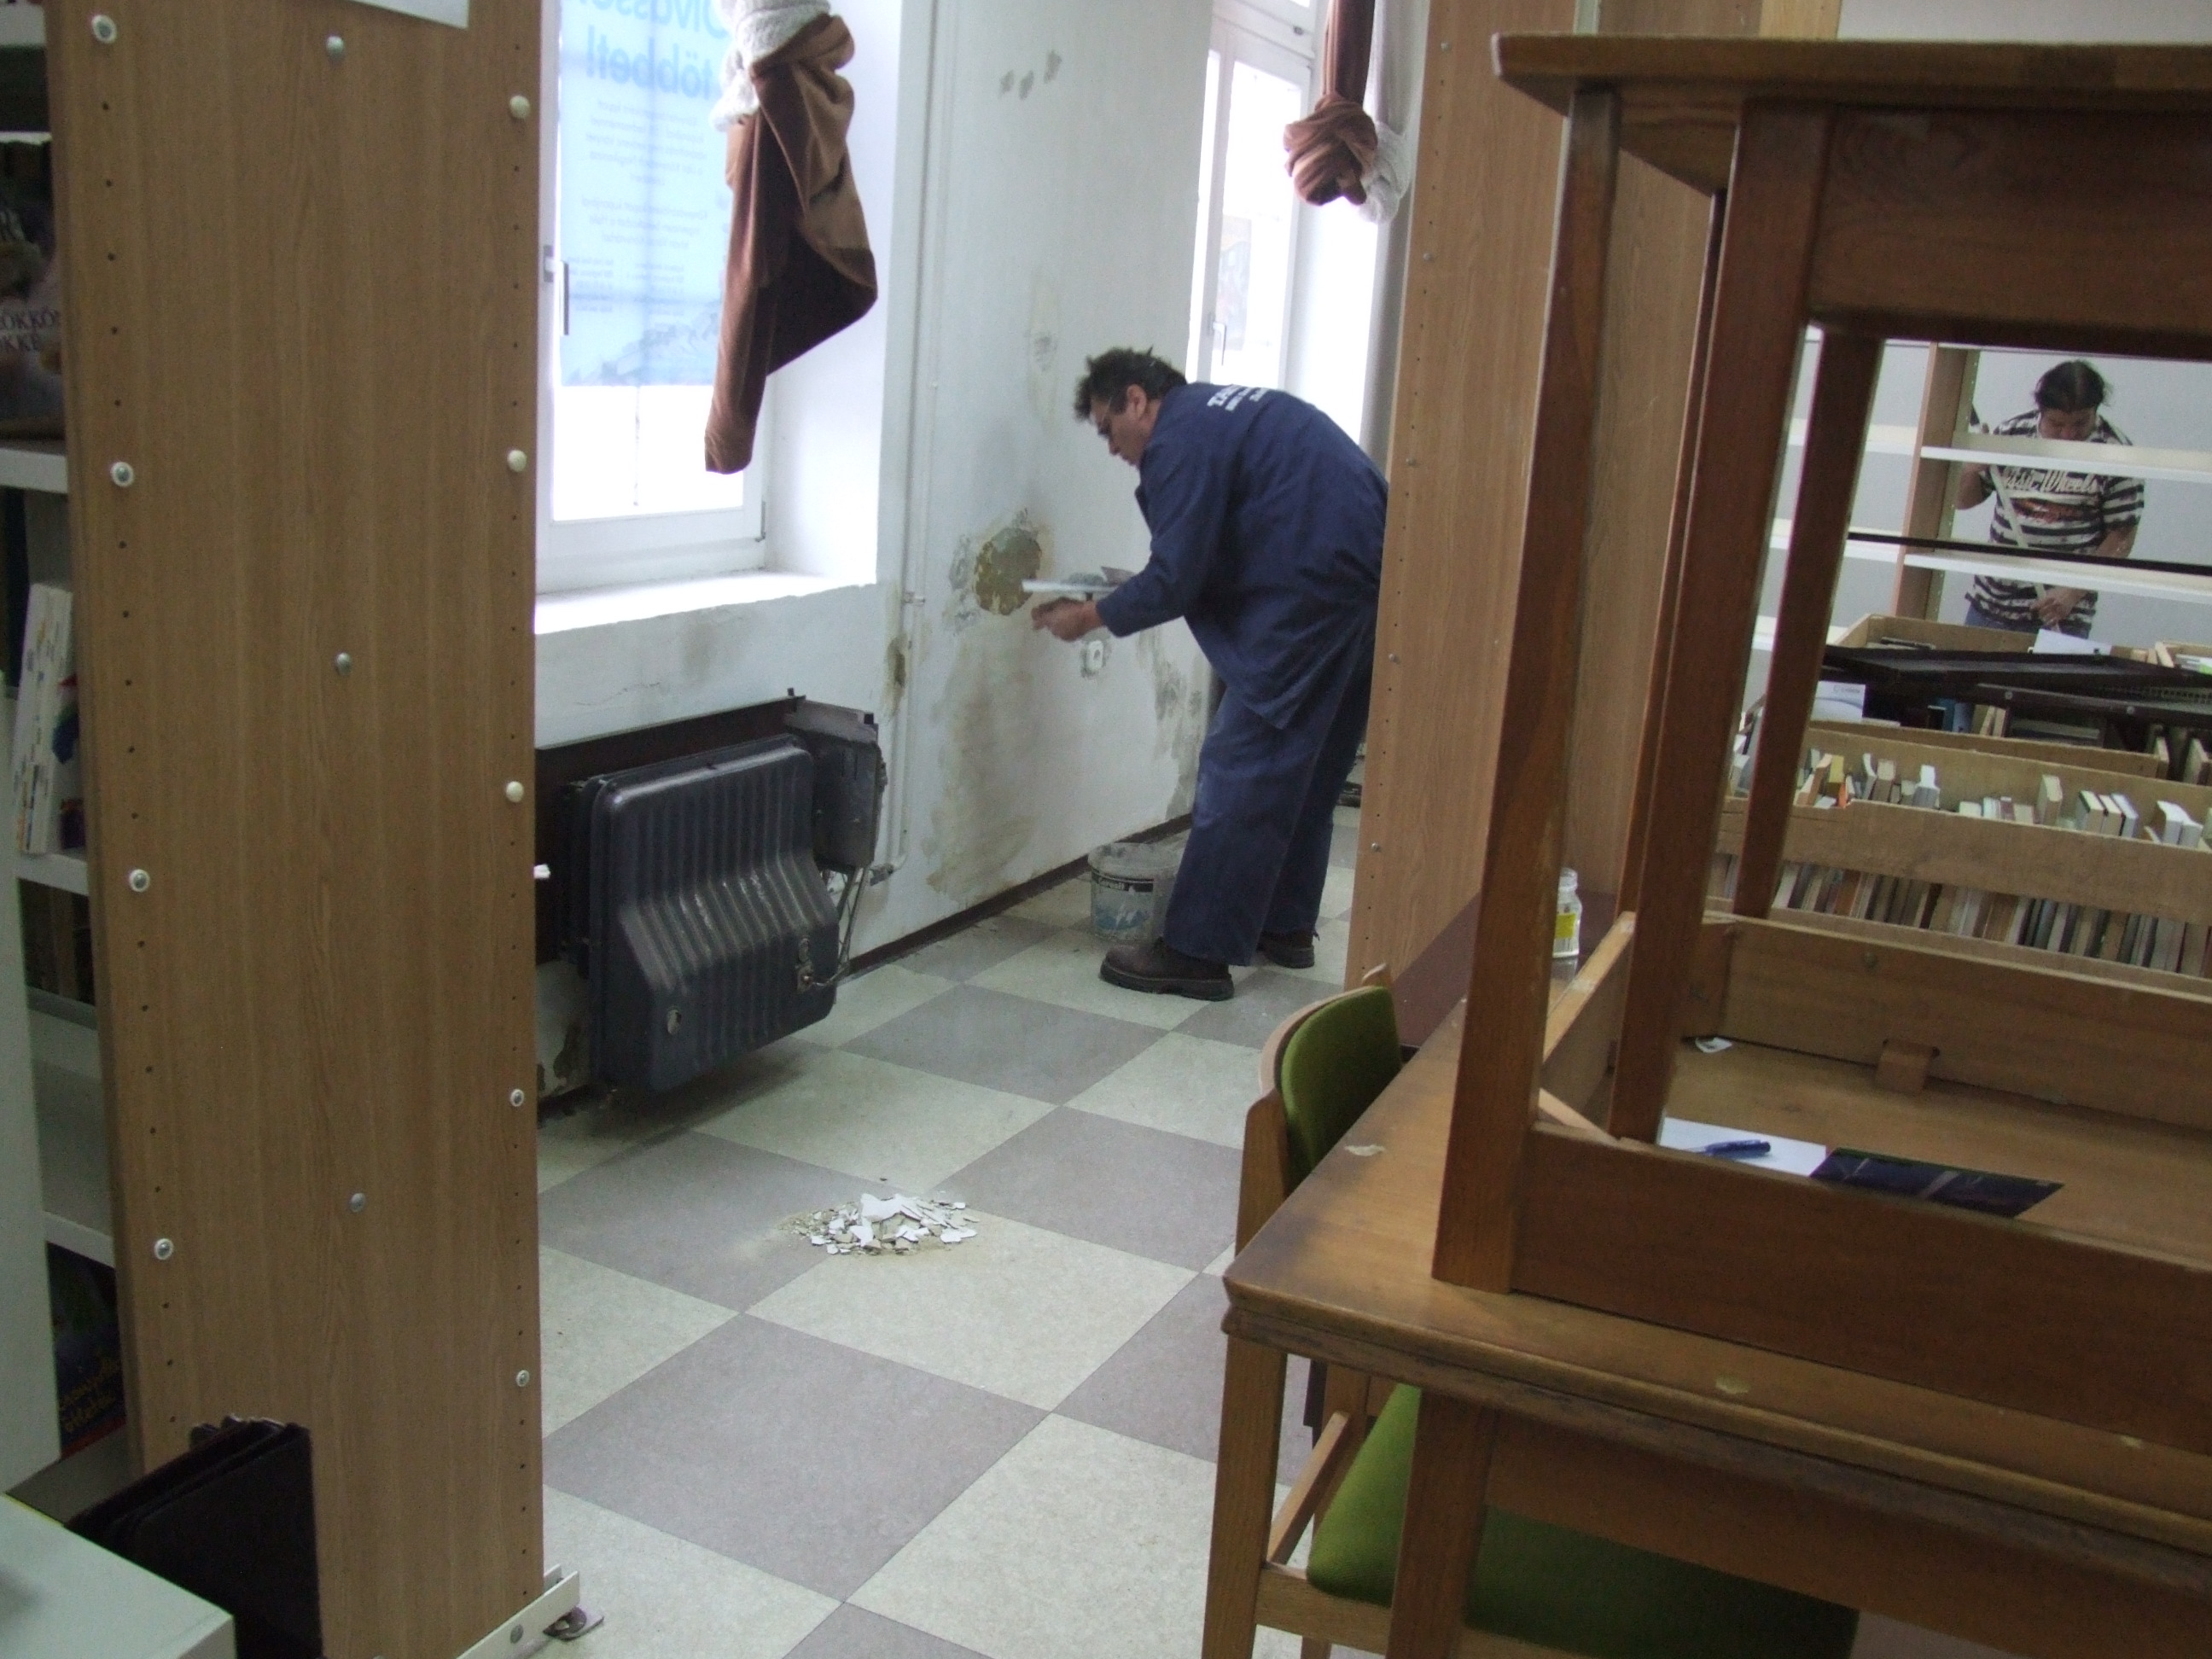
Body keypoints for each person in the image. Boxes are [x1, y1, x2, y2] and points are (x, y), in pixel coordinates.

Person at [1032, 347, 1384, 1001]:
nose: (1112, 449)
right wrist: (1129, 593)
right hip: (1369, 588)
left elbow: (1177, 578)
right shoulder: (1228, 414)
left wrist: (1088, 617)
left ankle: (1196, 952)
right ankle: (1284, 924)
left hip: (1311, 596)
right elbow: (1211, 551)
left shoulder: (1179, 438)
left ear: (1137, 400)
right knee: (1308, 767)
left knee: (1240, 764)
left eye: (1109, 429)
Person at [1957, 360, 2143, 638]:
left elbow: (2122, 538)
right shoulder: (2012, 434)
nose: (2068, 435)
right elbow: (1963, 501)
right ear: (2041, 409)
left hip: (2062, 615)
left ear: (2096, 409)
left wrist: (2072, 592)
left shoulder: (2116, 454)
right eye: (2057, 424)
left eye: (2080, 423)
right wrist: (1970, 469)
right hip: (1990, 606)